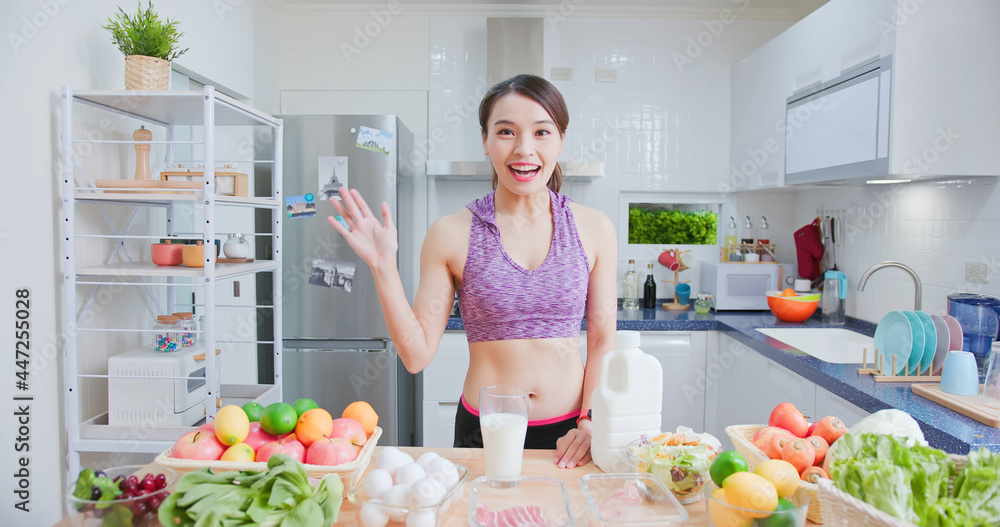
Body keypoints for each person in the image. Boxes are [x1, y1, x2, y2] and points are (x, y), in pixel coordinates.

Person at [327, 74, 617, 468]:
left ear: (560, 139)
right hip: (484, 431)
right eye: (506, 131)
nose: (523, 149)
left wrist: (591, 423)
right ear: (484, 140)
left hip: (571, 434)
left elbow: (602, 341)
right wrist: (384, 268)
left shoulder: (594, 227)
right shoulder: (450, 233)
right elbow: (415, 356)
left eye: (541, 132)